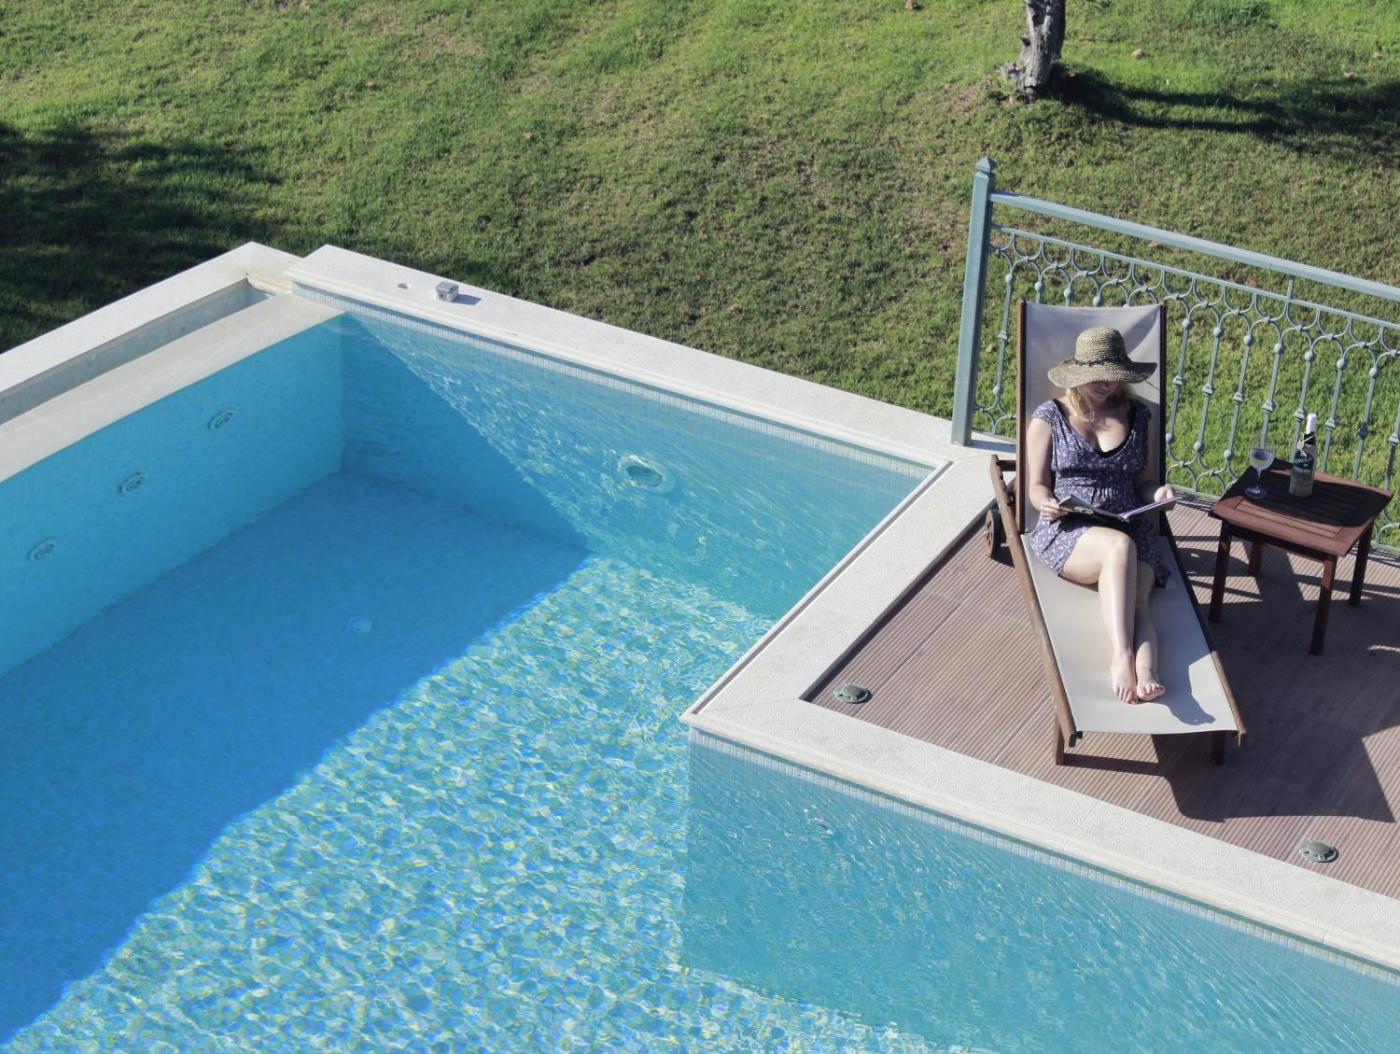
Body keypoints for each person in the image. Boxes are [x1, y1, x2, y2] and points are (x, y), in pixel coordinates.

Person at [1024, 325, 1176, 704]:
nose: (1105, 384)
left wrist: (1157, 494)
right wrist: (1045, 502)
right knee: (1118, 547)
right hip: (1070, 530)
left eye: (1112, 376)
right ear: (1078, 374)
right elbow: (1036, 486)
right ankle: (1121, 656)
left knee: (1138, 603)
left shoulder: (1138, 415)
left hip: (1128, 522)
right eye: (1097, 377)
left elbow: (1144, 482)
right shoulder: (1050, 417)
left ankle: (1147, 673)